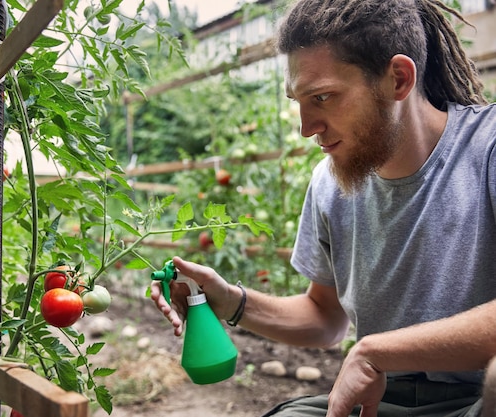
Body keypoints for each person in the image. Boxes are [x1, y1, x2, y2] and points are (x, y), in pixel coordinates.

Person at [150, 0, 496, 416]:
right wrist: (231, 301)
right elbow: (324, 316)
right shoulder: (330, 182)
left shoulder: (487, 148)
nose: (305, 127)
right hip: (383, 398)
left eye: (323, 97)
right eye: (298, 100)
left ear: (398, 79)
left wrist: (375, 352)